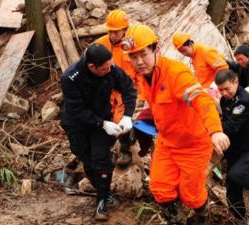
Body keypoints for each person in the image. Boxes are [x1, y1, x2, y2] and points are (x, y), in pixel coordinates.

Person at [122, 24, 230, 225]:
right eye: (133, 56)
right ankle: (175, 219)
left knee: (192, 195)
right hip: (167, 141)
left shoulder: (177, 74)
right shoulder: (142, 75)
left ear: (156, 50)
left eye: (143, 54)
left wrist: (215, 131)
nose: (139, 61)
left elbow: (202, 100)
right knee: (160, 189)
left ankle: (201, 216)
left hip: (194, 145)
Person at [60, 43, 137, 221]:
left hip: (103, 120)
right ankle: (104, 190)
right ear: (92, 67)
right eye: (104, 68)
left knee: (101, 159)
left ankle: (101, 203)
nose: (109, 70)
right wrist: (101, 123)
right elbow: (77, 109)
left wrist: (127, 116)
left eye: (110, 66)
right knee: (86, 159)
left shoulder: (111, 69)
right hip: (78, 123)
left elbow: (128, 89)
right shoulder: (70, 77)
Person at [215, 69, 249, 222]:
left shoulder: (244, 101)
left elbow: (231, 126)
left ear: (236, 82)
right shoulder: (224, 100)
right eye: (220, 90)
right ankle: (239, 219)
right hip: (235, 148)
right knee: (232, 188)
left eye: (227, 88)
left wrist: (211, 125)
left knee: (236, 174)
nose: (224, 93)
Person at [95, 9, 139, 167]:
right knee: (102, 119)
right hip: (105, 88)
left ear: (125, 30)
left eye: (117, 32)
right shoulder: (100, 44)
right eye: (111, 32)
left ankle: (125, 148)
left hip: (125, 89)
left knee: (121, 120)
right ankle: (101, 150)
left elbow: (141, 70)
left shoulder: (132, 45)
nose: (113, 35)